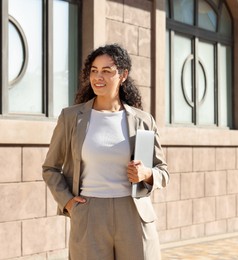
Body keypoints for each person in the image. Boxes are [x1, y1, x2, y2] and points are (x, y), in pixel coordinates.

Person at [42, 43, 169, 260]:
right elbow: (51, 168)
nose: (98, 77)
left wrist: (146, 174)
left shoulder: (142, 120)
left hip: (133, 213)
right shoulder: (71, 118)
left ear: (123, 75)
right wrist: (69, 203)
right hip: (89, 212)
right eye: (94, 70)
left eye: (107, 71)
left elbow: (162, 171)